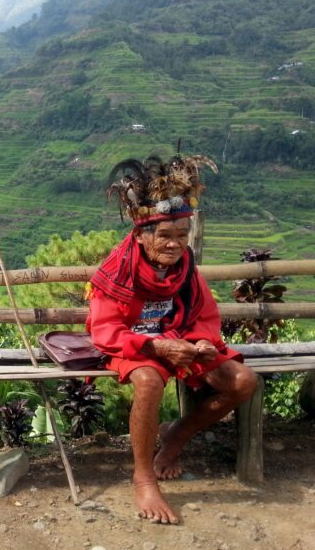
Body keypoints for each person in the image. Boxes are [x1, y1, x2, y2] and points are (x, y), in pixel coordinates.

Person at [85, 152, 259, 525]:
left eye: (182, 235)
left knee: (244, 381)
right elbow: (105, 332)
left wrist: (201, 343)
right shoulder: (117, 271)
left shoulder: (186, 269)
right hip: (133, 345)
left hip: (179, 339)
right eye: (165, 235)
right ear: (142, 234)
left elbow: (205, 316)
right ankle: (143, 477)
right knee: (148, 381)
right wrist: (156, 346)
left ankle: (176, 435)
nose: (174, 244)